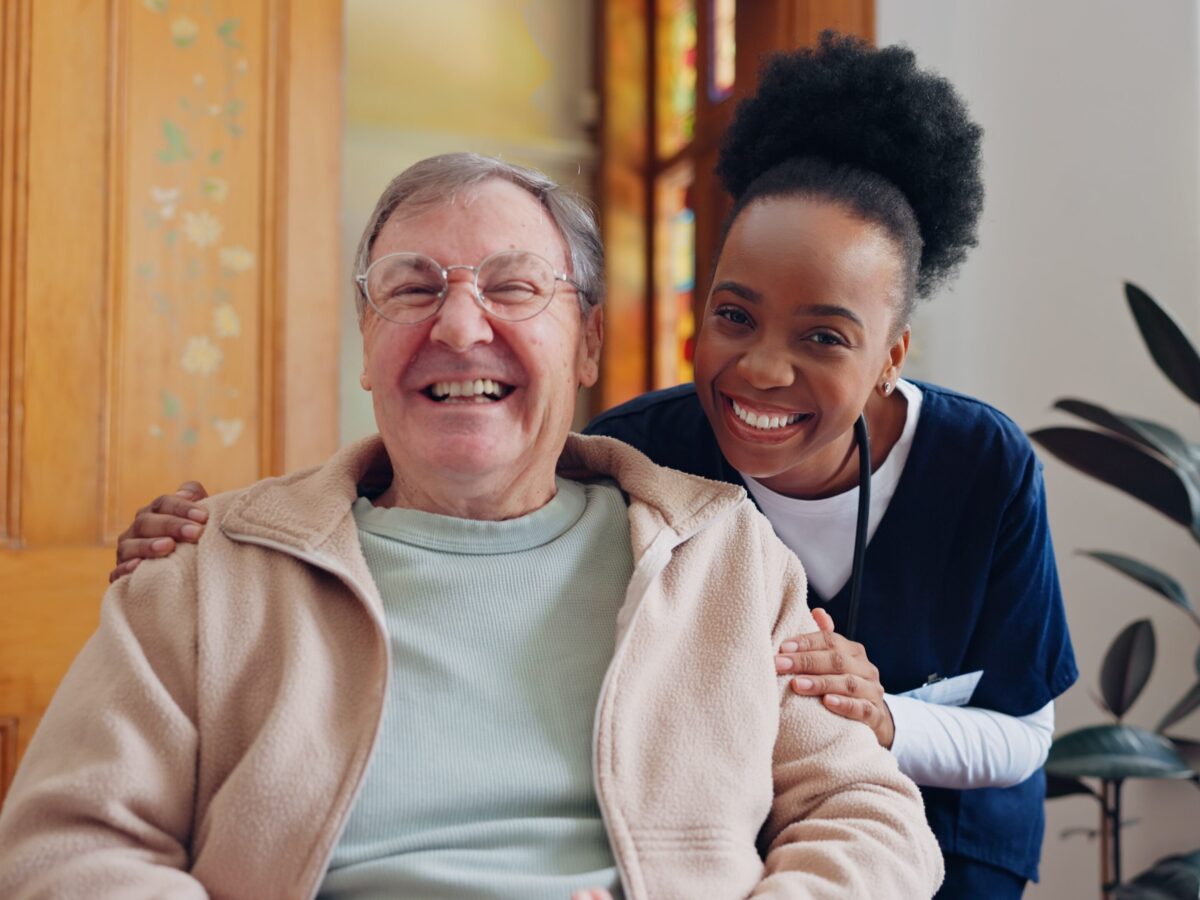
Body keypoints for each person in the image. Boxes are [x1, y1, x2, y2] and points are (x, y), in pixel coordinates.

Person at [111, 32, 1080, 898]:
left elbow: (1005, 741)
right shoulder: (641, 461)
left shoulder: (970, 465)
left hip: (950, 832)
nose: (765, 369)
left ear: (894, 353)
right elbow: (460, 481)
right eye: (734, 316)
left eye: (826, 334)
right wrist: (230, 538)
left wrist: (878, 720)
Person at [0, 153, 943, 898]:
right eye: (412, 288)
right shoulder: (207, 568)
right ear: (367, 345)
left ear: (588, 343)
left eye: (513, 286)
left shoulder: (722, 556)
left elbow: (868, 818)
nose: (458, 327)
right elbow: (66, 846)